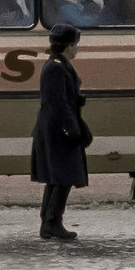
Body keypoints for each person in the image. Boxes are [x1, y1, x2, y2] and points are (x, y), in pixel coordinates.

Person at [31, 23, 90, 240]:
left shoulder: (57, 64)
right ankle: (52, 223)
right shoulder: (56, 67)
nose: (77, 48)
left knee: (57, 177)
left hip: (55, 128)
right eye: (75, 44)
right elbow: (59, 104)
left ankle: (50, 221)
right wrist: (71, 130)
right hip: (57, 131)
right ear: (67, 45)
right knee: (63, 176)